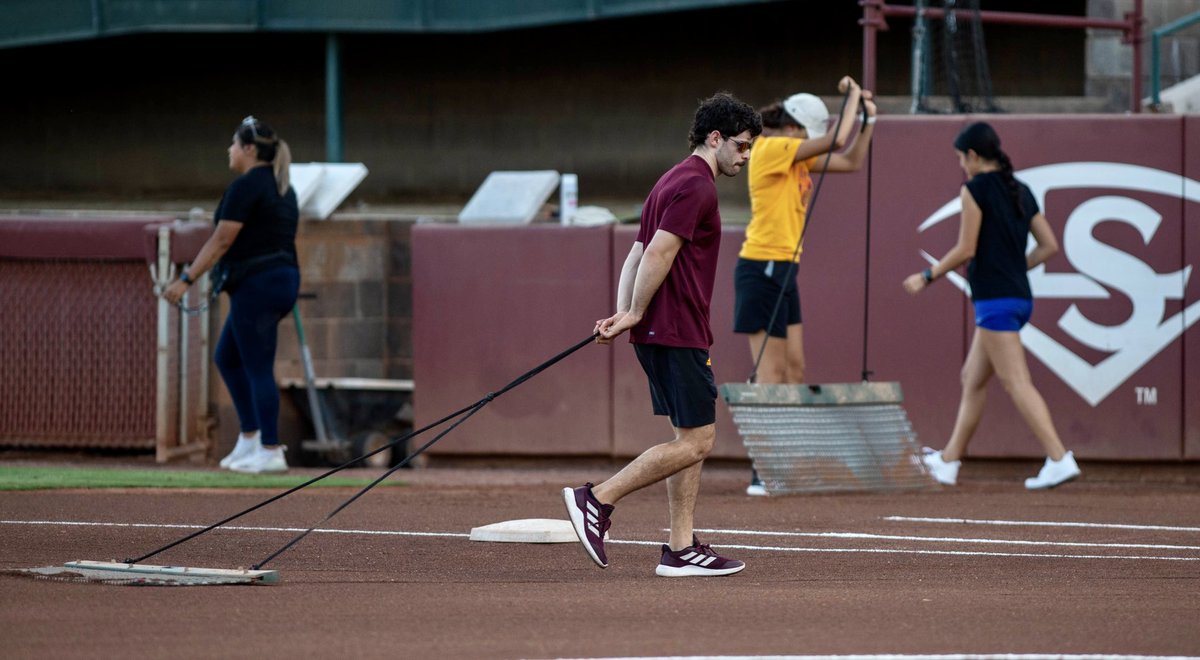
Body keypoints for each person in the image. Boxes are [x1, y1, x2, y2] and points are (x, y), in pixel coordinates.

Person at [562, 92, 762, 577]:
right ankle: (598, 499)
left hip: (662, 329)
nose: (745, 155)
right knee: (698, 442)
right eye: (740, 145)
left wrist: (623, 314)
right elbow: (657, 255)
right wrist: (631, 313)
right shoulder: (698, 187)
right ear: (714, 138)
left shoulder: (670, 179)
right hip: (677, 330)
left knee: (686, 435)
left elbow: (635, 253)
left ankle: (679, 547)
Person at [902, 121, 1081, 490]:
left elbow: (966, 249)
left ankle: (1059, 458)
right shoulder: (1022, 190)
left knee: (1016, 382)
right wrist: (1015, 268)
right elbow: (1049, 246)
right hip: (1018, 298)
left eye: (960, 159)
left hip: (995, 301)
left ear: (972, 155)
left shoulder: (974, 190)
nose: (960, 166)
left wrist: (927, 275)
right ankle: (950, 461)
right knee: (973, 378)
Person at [734, 76, 876, 496]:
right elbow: (834, 143)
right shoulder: (773, 147)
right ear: (795, 127)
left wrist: (867, 121)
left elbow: (850, 161)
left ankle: (788, 459)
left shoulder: (793, 155)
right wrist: (852, 99)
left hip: (784, 269)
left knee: (794, 367)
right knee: (771, 371)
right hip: (762, 267)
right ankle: (764, 466)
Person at [163, 116, 301, 474]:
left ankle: (270, 449)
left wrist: (185, 279)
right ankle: (251, 438)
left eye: (234, 144)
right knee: (227, 357)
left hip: (259, 283)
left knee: (257, 365)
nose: (230, 150)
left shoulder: (248, 185)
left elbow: (222, 240)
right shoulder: (282, 185)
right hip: (279, 280)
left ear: (249, 149)